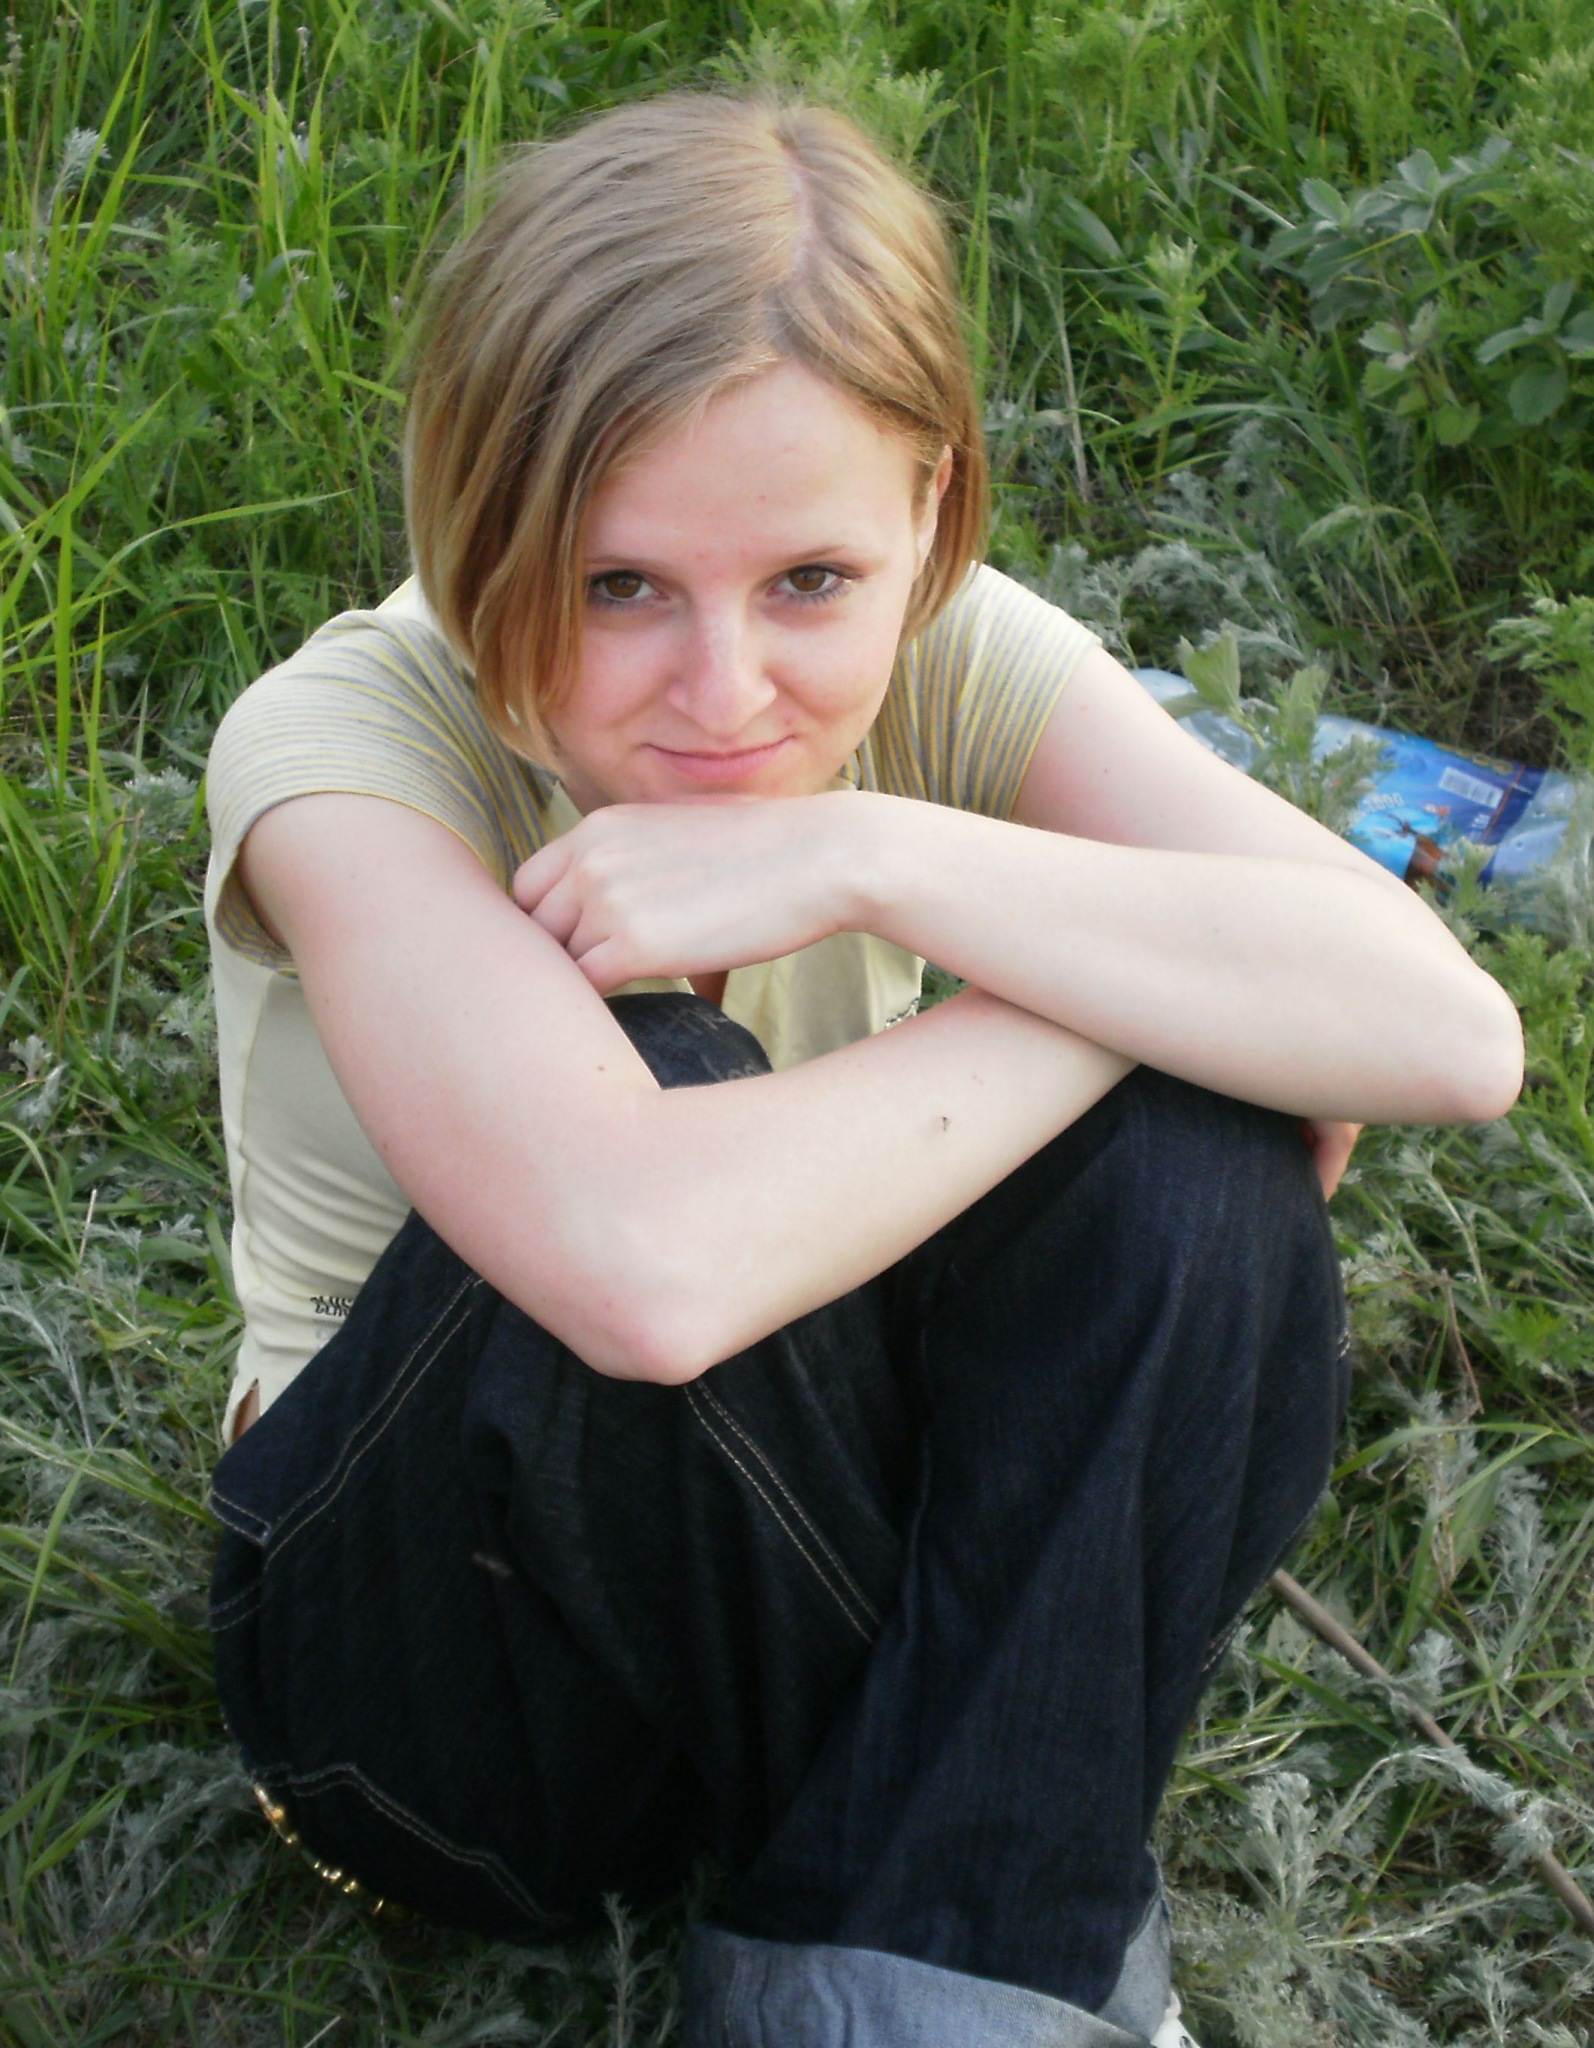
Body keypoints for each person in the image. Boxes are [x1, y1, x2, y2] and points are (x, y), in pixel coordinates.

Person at [203, 89, 1523, 2048]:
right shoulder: (345, 746)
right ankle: (1008, 1905)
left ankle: (935, 1935)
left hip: (784, 1583)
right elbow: (642, 1268)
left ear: (929, 511)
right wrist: (1139, 990)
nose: (725, 692)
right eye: (614, 584)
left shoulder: (952, 658)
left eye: (809, 581)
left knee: (1193, 1148)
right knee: (692, 1079)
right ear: (468, 521)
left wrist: (875, 850)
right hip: (445, 1684)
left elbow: (1449, 1032)